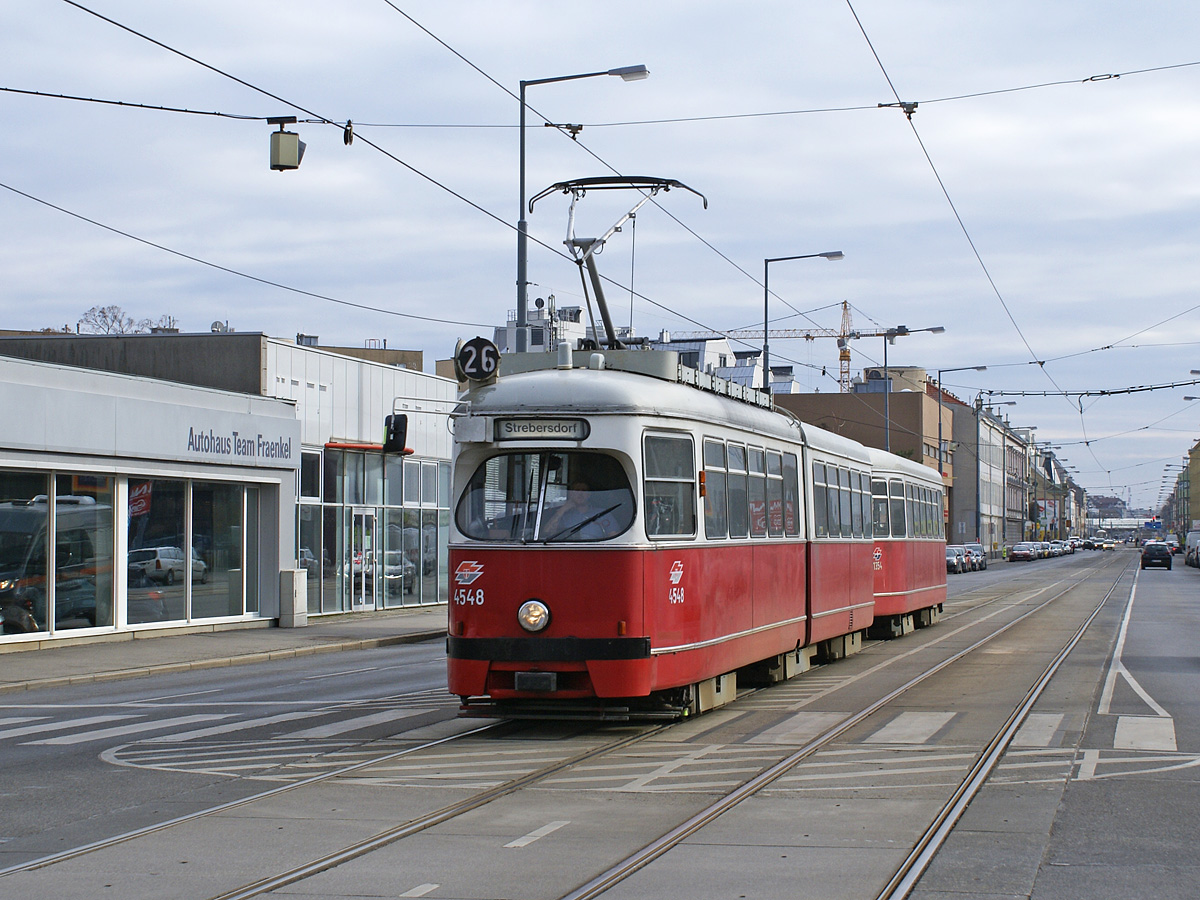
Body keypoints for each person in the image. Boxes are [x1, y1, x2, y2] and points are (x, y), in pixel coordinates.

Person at [541, 480, 616, 540]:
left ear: (589, 494)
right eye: (577, 490)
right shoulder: (564, 516)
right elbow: (546, 533)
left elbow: (614, 537)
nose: (580, 494)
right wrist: (562, 510)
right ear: (571, 494)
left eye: (584, 490)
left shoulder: (603, 513)